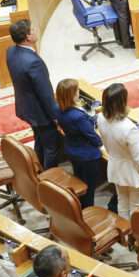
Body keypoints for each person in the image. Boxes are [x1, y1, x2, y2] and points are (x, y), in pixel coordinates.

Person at [96, 82, 139, 218]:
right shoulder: (130, 128)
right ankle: (133, 236)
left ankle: (125, 234)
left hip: (115, 167)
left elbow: (105, 143)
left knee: (122, 203)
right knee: (136, 208)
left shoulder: (100, 118)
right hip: (133, 173)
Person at [7, 19, 61, 168]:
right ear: (28, 37)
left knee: (39, 138)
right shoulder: (33, 62)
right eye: (33, 30)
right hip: (40, 113)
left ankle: (37, 168)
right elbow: (45, 94)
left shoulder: (11, 51)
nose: (36, 31)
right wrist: (56, 117)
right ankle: (49, 181)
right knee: (51, 147)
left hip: (25, 106)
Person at [56, 79, 104, 209]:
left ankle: (80, 205)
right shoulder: (77, 116)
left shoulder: (59, 109)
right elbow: (91, 135)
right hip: (87, 156)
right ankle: (88, 211)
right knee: (89, 186)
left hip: (72, 149)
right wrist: (101, 144)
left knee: (80, 180)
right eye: (77, 91)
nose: (78, 93)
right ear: (71, 95)